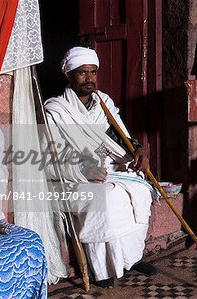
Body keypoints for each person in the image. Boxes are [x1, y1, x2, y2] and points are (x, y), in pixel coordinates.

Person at [44, 46, 155, 288]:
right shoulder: (56, 111)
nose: (89, 78)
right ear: (69, 75)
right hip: (73, 175)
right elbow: (52, 158)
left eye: (93, 72)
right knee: (107, 197)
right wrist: (83, 170)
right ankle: (102, 269)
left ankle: (132, 258)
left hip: (108, 165)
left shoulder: (104, 103)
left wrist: (137, 150)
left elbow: (119, 138)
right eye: (82, 73)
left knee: (141, 191)